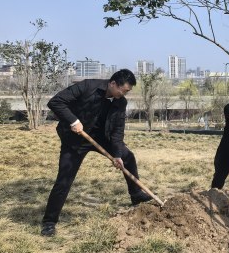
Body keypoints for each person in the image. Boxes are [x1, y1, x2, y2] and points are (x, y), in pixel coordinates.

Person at [41, 69, 150, 236]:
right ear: (113, 84)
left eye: (127, 91)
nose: (125, 94)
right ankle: (49, 221)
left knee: (128, 157)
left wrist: (118, 154)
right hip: (75, 139)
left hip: (101, 138)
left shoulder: (120, 102)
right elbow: (56, 102)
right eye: (124, 90)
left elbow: (117, 131)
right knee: (64, 180)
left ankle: (136, 195)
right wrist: (73, 120)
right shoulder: (87, 86)